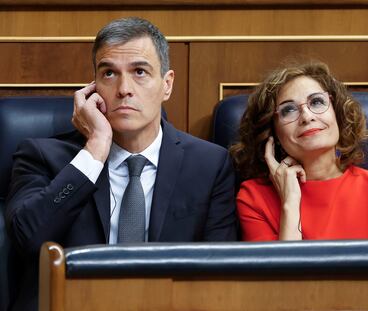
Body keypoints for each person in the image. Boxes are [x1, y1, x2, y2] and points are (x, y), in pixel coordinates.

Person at [5, 17, 237, 311]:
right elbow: (28, 239)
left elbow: (220, 273)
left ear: (167, 85)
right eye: (109, 74)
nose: (124, 88)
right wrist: (96, 149)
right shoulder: (42, 156)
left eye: (140, 71)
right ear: (93, 87)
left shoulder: (210, 164)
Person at [230, 61, 368, 241]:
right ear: (273, 133)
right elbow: (284, 270)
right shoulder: (253, 198)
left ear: (338, 114)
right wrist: (291, 203)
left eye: (316, 102)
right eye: (289, 110)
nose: (307, 117)